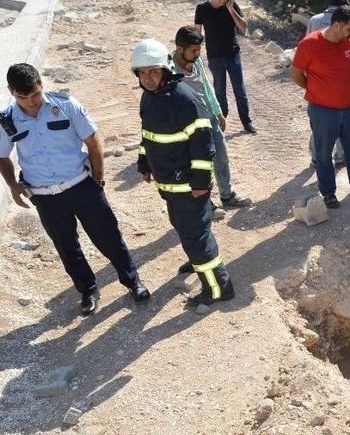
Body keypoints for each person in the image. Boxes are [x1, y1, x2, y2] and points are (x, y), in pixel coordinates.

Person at [0, 63, 149, 316]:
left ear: (41, 85)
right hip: (45, 197)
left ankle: (132, 281)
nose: (32, 102)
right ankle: (88, 290)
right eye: (23, 97)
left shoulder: (65, 105)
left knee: (109, 237)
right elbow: (3, 156)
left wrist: (99, 179)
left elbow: (92, 140)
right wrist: (13, 185)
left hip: (81, 186)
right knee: (67, 247)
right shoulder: (7, 119)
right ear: (12, 92)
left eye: (35, 94)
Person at [132, 38, 234, 306]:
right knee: (185, 228)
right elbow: (149, 135)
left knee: (195, 236)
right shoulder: (150, 97)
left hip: (190, 186)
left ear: (165, 69)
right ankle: (198, 259)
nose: (148, 78)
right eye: (142, 73)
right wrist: (144, 162)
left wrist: (200, 183)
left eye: (153, 71)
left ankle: (218, 288)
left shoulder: (184, 99)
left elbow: (204, 145)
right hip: (170, 185)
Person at [291, 5, 350, 208]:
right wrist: (315, 90)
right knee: (324, 153)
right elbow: (296, 74)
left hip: (348, 108)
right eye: (349, 29)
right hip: (322, 110)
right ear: (337, 25)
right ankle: (328, 193)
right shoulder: (310, 44)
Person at [172, 25, 252, 223]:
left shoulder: (196, 61)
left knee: (221, 156)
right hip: (190, 126)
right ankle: (206, 203)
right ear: (180, 49)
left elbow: (206, 87)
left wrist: (217, 112)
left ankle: (227, 195)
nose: (198, 54)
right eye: (194, 50)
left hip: (208, 118)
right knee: (200, 165)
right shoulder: (169, 69)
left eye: (200, 50)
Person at [194, 0, 257, 134]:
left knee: (240, 91)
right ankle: (221, 122)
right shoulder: (202, 8)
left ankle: (247, 122)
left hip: (232, 54)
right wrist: (196, 54)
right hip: (215, 57)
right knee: (219, 91)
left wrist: (231, 10)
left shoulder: (231, 6)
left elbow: (243, 27)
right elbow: (197, 32)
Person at [305, 0, 349, 168]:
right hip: (340, 81)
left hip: (317, 80)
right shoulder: (348, 21)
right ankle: (339, 156)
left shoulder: (314, 20)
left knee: (318, 119)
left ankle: (317, 156)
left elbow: (305, 46)